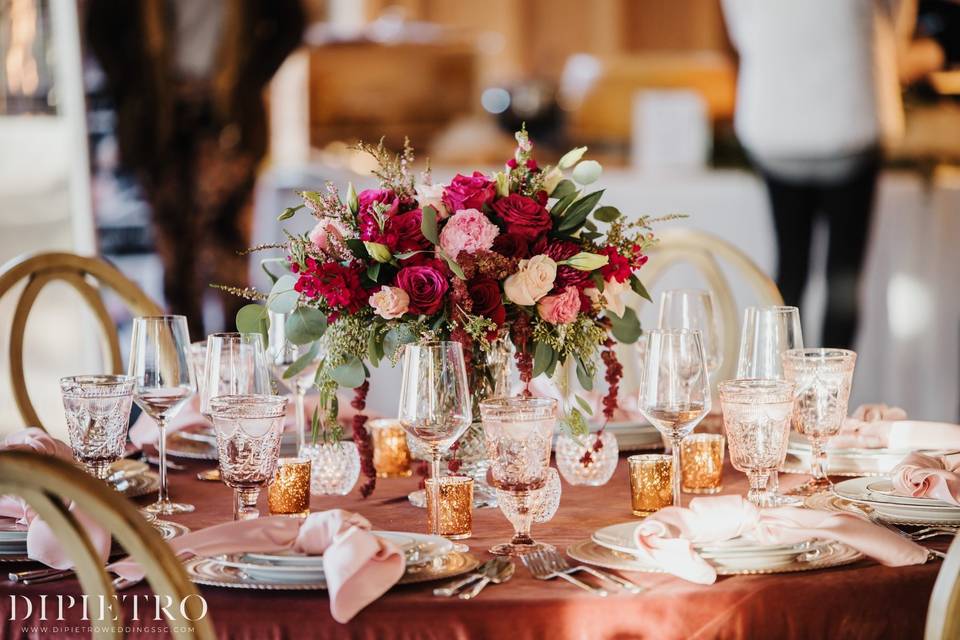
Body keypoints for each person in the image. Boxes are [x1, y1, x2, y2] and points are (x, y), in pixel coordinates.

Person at [86, 0, 305, 337]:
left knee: (230, 252)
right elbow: (101, 29)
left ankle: (239, 370)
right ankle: (186, 372)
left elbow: (291, 23)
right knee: (177, 257)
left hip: (229, 115)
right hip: (161, 119)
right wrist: (133, 86)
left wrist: (249, 79)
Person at [721, 0, 915, 349]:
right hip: (851, 111)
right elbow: (895, 19)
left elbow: (741, 26)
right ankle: (832, 397)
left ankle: (779, 392)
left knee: (790, 270)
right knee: (843, 278)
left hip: (777, 118)